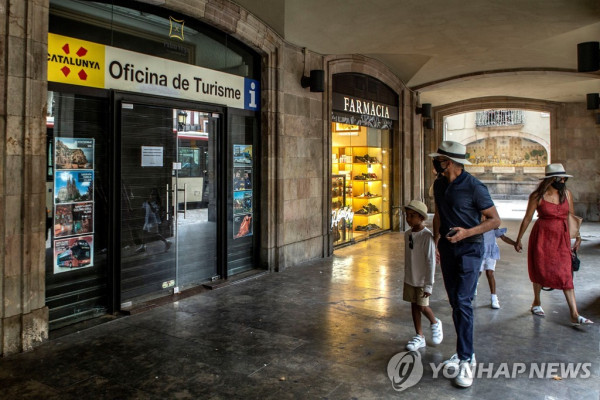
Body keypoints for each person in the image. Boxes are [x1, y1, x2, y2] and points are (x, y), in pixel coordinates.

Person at [430, 141, 501, 388]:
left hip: (470, 249)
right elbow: (438, 214)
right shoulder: (438, 185)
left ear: (448, 162)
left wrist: (467, 232)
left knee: (462, 302)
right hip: (448, 250)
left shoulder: (474, 187)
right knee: (455, 302)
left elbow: (494, 220)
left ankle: (466, 359)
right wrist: (435, 241)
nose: (436, 163)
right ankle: (464, 350)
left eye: (439, 159)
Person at [514, 163, 593, 326]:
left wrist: (577, 236)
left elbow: (570, 216)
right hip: (542, 236)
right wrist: (519, 238)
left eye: (564, 178)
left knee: (566, 272)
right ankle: (536, 302)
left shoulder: (566, 194)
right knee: (540, 269)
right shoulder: (537, 196)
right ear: (550, 179)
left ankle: (574, 313)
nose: (563, 181)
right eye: (560, 178)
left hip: (561, 237)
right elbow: (527, 218)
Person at [402, 200, 444, 352]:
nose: (408, 219)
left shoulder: (427, 237)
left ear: (421, 218)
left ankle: (435, 322)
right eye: (407, 215)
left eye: (412, 216)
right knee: (414, 305)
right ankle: (419, 335)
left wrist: (429, 284)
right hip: (410, 277)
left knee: (422, 305)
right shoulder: (407, 234)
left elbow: (431, 261)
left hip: (422, 279)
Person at [477, 217, 516, 309]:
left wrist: (515, 243)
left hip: (491, 252)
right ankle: (474, 287)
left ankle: (494, 297)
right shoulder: (476, 226)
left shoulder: (492, 226)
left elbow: (503, 237)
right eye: (481, 215)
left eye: (485, 216)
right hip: (479, 252)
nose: (483, 218)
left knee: (490, 273)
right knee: (477, 273)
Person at [137, 189, 171, 253]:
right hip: (147, 221)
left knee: (156, 234)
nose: (152, 196)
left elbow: (154, 211)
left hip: (153, 221)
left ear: (156, 196)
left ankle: (166, 242)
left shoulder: (156, 203)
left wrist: (150, 204)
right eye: (151, 194)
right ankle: (143, 246)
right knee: (144, 232)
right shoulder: (147, 202)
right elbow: (143, 209)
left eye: (153, 195)